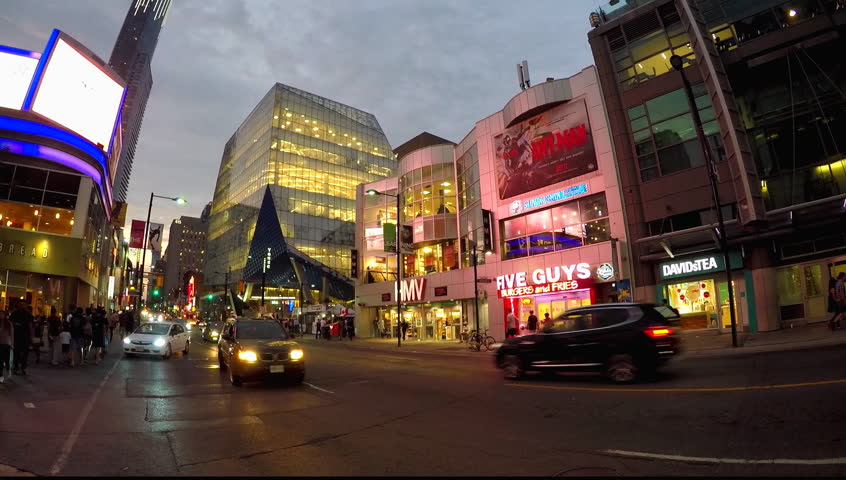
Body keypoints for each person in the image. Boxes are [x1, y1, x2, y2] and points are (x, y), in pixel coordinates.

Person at [10, 302, 34, 376]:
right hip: (17, 336)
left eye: (23, 304)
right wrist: (15, 324)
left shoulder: (27, 313)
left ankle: (23, 367)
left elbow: (30, 325)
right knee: (16, 351)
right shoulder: (15, 313)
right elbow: (10, 322)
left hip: (25, 336)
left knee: (25, 352)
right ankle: (16, 367)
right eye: (20, 304)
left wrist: (31, 336)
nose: (22, 306)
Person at [0, 311, 13, 383]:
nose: (1, 316)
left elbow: (12, 334)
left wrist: (12, 344)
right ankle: (1, 375)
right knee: (0, 360)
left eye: (2, 314)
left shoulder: (9, 323)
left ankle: (9, 370)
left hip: (6, 344)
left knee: (7, 360)